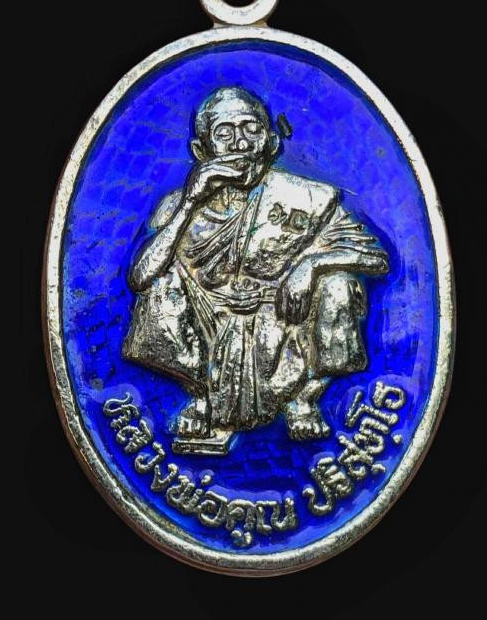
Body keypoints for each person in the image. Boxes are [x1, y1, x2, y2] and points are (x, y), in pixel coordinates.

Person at [123, 87, 388, 446]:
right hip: (207, 328)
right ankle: (200, 397)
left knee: (338, 284)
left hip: (281, 325)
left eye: (251, 129)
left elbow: (375, 257)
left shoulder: (307, 197)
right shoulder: (176, 206)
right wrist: (190, 202)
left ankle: (304, 398)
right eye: (224, 133)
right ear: (201, 151)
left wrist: (311, 264)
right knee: (159, 285)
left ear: (272, 143)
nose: (240, 143)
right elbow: (139, 278)